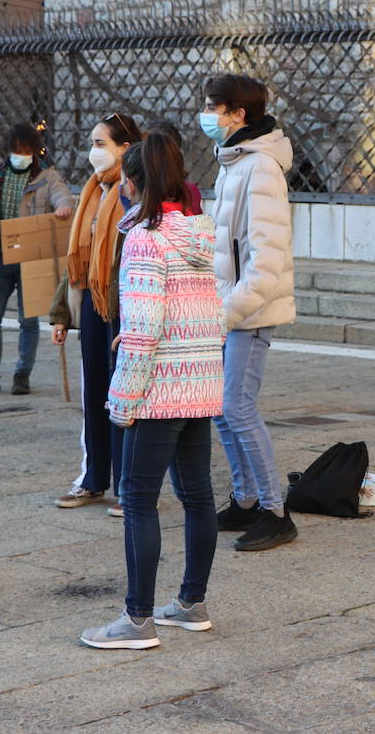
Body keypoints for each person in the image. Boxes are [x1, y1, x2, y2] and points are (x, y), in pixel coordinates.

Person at [80, 135, 223, 650]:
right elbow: (209, 310)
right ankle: (190, 603)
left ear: (133, 183)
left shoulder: (144, 238)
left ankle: (137, 619)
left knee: (138, 498)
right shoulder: (196, 233)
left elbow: (142, 329)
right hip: (200, 383)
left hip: (158, 389)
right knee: (197, 495)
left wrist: (122, 400)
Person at [202, 74, 298, 551]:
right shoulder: (234, 161)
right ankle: (244, 500)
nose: (207, 117)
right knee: (222, 408)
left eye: (212, 108)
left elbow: (267, 257)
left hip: (249, 311)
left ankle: (275, 511)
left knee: (238, 408)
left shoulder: (259, 166)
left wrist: (229, 311)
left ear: (238, 114)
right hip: (229, 306)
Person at [50, 113, 144, 510]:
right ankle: (93, 477)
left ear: (125, 147)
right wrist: (61, 312)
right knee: (94, 391)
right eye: (92, 143)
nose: (93, 152)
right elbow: (80, 259)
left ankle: (129, 484)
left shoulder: (136, 191)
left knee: (124, 394)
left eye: (101, 143)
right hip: (92, 301)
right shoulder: (94, 190)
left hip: (128, 304)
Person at [0, 123, 73, 395]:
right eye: (15, 150)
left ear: (34, 152)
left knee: (28, 319)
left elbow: (64, 199)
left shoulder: (47, 177)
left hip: (30, 257)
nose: (19, 155)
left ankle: (22, 373)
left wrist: (63, 209)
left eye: (25, 151)